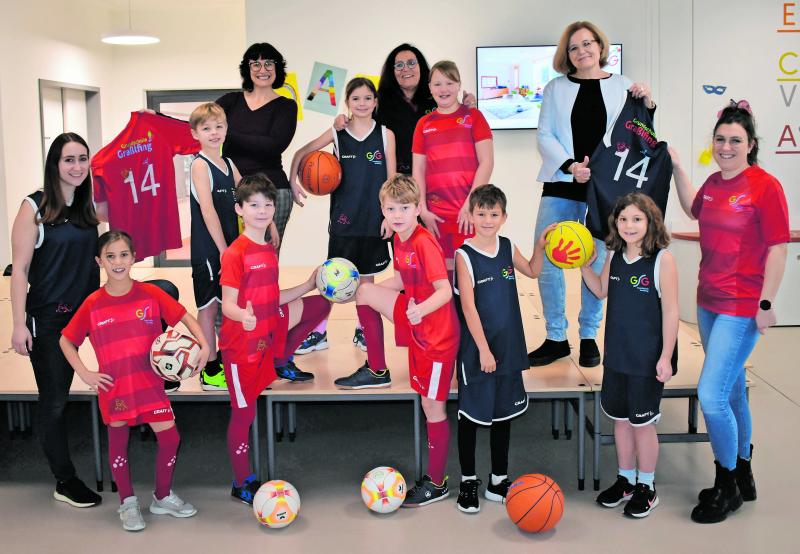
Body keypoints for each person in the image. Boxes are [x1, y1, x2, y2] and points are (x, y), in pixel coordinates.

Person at [670, 100, 789, 524]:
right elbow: (692, 208)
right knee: (733, 390)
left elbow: (777, 248)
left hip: (742, 306)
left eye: (735, 140)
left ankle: (727, 484)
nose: (725, 147)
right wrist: (679, 168)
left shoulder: (765, 186)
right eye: (720, 139)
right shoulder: (715, 184)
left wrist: (767, 304)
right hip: (709, 302)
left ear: (751, 144)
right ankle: (745, 472)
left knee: (711, 396)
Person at [59, 230, 210, 531]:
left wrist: (204, 345)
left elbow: (185, 317)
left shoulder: (151, 294)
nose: (118, 262)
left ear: (134, 257)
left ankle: (162, 496)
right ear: (99, 261)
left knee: (171, 438)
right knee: (119, 444)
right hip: (115, 388)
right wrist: (86, 373)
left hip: (149, 385)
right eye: (110, 256)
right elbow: (66, 341)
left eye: (123, 255)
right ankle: (127, 502)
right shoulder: (93, 303)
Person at [531, 20, 656, 369]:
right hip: (562, 181)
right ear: (567, 55)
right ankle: (556, 336)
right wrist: (571, 165)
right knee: (548, 255)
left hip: (607, 188)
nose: (582, 51)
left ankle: (588, 335)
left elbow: (641, 131)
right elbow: (544, 135)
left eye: (588, 44)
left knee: (597, 260)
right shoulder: (555, 88)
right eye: (574, 47)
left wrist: (648, 102)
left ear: (600, 46)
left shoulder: (624, 85)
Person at [220, 175, 331, 504]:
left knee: (319, 303)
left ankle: (282, 361)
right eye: (253, 205)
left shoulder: (268, 250)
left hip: (267, 335)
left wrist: (309, 284)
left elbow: (274, 298)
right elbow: (228, 303)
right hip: (241, 347)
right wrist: (245, 316)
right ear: (239, 209)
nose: (262, 210)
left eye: (268, 205)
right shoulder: (235, 253)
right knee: (244, 413)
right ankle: (242, 481)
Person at [10, 133, 102, 508]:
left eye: (82, 159)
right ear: (54, 165)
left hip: (88, 314)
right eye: (68, 160)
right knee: (55, 401)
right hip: (50, 319)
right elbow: (19, 270)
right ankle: (64, 479)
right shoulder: (33, 207)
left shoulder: (85, 204)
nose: (77, 166)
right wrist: (19, 324)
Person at [354, 174, 458, 507]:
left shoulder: (425, 242)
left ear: (417, 209)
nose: (397, 215)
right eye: (390, 209)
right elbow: (402, 276)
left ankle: (438, 482)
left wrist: (419, 311)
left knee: (433, 406)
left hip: (438, 336)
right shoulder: (399, 238)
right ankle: (376, 368)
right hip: (418, 324)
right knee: (362, 291)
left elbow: (444, 291)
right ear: (382, 210)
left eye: (404, 208)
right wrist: (372, 290)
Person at [453, 184, 553, 513]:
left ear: (504, 217)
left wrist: (540, 246)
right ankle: (468, 481)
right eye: (480, 214)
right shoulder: (464, 255)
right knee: (471, 417)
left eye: (493, 214)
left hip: (508, 349)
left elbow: (535, 271)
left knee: (502, 416)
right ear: (470, 215)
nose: (487, 219)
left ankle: (499, 479)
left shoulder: (508, 247)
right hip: (479, 351)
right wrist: (482, 350)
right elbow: (468, 308)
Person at [289, 78, 397, 376]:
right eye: (356, 99)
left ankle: (363, 328)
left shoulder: (386, 135)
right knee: (332, 279)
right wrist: (293, 181)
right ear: (347, 102)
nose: (362, 103)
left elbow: (391, 182)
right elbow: (302, 153)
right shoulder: (338, 133)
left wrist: (389, 216)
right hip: (343, 220)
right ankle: (320, 330)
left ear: (375, 102)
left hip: (374, 220)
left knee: (367, 281)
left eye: (367, 98)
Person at [581, 193, 678, 518]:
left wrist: (665, 356)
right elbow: (600, 289)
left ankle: (647, 486)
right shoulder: (616, 254)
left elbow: (672, 312)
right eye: (623, 219)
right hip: (617, 356)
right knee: (620, 421)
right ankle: (625, 480)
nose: (629, 225)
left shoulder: (662, 259)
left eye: (637, 219)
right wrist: (581, 264)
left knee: (643, 425)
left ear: (650, 221)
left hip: (647, 359)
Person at [332, 43, 476, 176]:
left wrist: (467, 108)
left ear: (421, 67)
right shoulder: (380, 102)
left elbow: (457, 128)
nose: (406, 68)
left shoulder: (437, 98)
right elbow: (362, 126)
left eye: (412, 63)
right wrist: (344, 120)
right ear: (392, 71)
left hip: (435, 177)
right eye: (399, 65)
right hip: (394, 181)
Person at [412, 60, 494, 281]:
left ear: (459, 85)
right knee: (442, 278)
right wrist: (423, 208)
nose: (444, 89)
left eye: (449, 82)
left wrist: (470, 204)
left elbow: (486, 162)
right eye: (437, 84)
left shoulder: (474, 118)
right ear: (429, 88)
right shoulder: (423, 124)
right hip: (435, 217)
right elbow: (418, 169)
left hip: (467, 214)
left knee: (470, 277)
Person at [217, 42, 297, 247]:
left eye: (269, 63)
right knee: (233, 258)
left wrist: (228, 133)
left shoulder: (286, 107)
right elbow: (201, 125)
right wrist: (159, 118)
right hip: (232, 188)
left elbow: (273, 146)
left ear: (277, 68)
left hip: (273, 192)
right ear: (248, 69)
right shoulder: (230, 101)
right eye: (256, 64)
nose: (263, 70)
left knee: (266, 259)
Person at [187, 102, 243, 392]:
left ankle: (224, 360)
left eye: (219, 126)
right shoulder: (199, 165)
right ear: (195, 133)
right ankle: (209, 368)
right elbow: (208, 211)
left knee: (228, 304)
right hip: (210, 251)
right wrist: (224, 250)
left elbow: (247, 197)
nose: (214, 132)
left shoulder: (229, 164)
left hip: (229, 249)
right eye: (206, 128)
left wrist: (268, 223)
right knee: (208, 307)